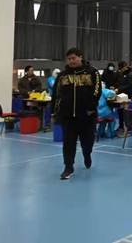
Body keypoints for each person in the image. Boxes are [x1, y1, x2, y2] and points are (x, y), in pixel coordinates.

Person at [51, 48, 101, 180]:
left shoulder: (92, 72)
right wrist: (54, 112)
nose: (71, 61)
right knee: (68, 144)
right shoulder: (62, 76)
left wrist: (91, 107)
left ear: (80, 57)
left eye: (73, 58)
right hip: (67, 116)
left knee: (88, 142)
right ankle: (68, 167)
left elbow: (97, 91)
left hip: (87, 116)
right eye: (69, 59)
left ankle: (87, 154)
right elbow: (56, 94)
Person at [115, 61, 132, 136]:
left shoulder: (130, 74)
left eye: (122, 68)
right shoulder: (121, 73)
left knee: (126, 112)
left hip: (127, 95)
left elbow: (129, 85)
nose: (121, 69)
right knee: (120, 111)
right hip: (120, 95)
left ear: (125, 66)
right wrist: (116, 87)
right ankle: (121, 126)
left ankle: (127, 128)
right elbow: (119, 82)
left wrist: (119, 89)